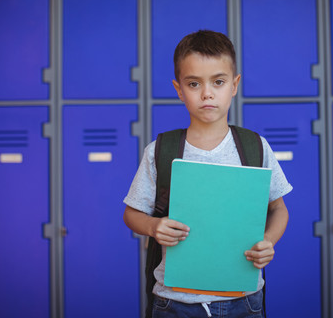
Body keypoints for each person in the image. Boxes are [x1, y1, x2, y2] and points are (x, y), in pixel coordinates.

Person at [123, 30, 292, 318]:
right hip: (174, 303)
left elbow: (278, 209)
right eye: (193, 83)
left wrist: (268, 241)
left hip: (244, 301)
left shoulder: (254, 147)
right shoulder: (161, 150)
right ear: (179, 89)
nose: (207, 93)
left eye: (219, 81)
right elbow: (132, 214)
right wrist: (154, 227)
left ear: (235, 85)